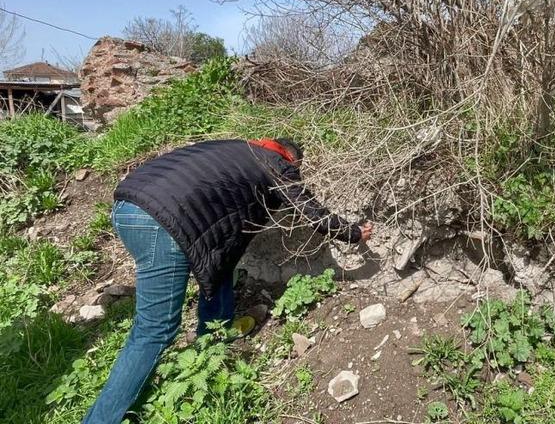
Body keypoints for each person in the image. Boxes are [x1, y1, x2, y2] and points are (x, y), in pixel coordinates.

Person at [83, 138, 372, 424]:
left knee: (219, 263)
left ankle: (215, 337)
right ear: (291, 158)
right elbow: (313, 214)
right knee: (154, 331)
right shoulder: (277, 164)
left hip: (126, 206)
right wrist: (354, 232)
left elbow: (221, 246)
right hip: (160, 221)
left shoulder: (236, 149)